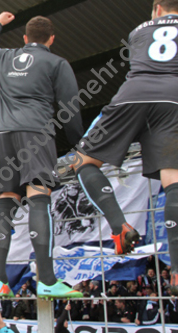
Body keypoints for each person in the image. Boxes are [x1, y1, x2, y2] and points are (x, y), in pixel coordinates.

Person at [73, 0, 178, 293]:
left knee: (83, 161)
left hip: (134, 92)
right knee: (174, 181)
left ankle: (120, 227)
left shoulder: (138, 31)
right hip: (174, 97)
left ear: (157, 8)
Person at [0, 12, 84, 298]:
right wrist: (79, 145)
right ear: (51, 39)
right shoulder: (56, 62)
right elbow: (70, 108)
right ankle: (47, 279)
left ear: (25, 38)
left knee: (5, 203)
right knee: (39, 199)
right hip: (36, 133)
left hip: (4, 136)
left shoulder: (6, 57)